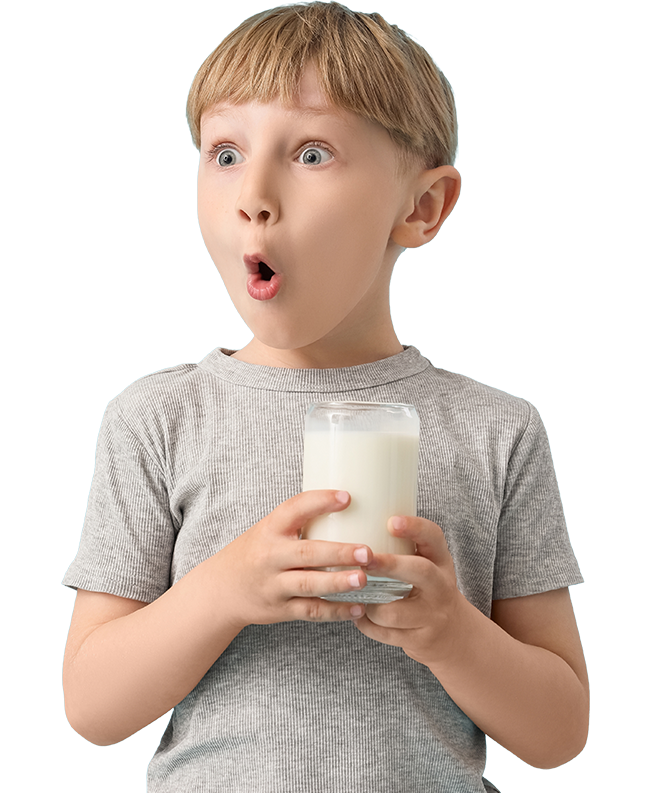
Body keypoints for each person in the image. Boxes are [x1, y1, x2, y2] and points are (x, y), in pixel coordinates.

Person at [61, 4, 589, 791]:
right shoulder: (156, 418)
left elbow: (559, 731)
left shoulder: (495, 430)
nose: (256, 195)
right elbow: (93, 703)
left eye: (311, 152)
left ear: (423, 208)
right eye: (226, 152)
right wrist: (223, 590)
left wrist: (450, 632)